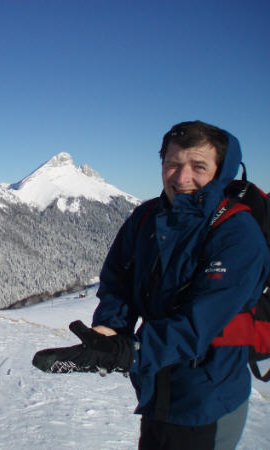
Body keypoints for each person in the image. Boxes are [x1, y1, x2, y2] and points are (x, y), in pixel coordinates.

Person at [60, 121, 270, 448]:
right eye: (172, 164)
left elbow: (199, 326)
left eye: (198, 166)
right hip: (156, 389)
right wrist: (111, 330)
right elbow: (118, 281)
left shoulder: (237, 235)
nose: (182, 178)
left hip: (207, 400)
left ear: (221, 171)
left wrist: (130, 352)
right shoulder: (145, 219)